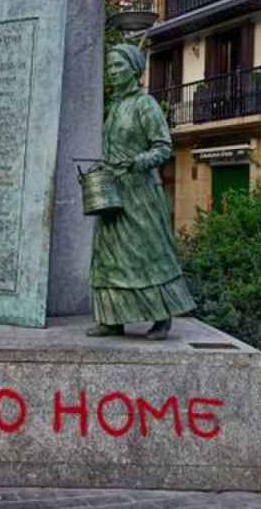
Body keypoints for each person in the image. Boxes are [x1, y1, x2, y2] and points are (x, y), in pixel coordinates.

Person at [86, 44, 197, 340]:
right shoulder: (115, 107)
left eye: (118, 67)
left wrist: (136, 162)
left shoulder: (145, 105)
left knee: (147, 254)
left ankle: (162, 317)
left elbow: (162, 147)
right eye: (109, 68)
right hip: (113, 194)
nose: (112, 73)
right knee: (108, 255)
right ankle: (112, 318)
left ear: (134, 70)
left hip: (141, 195)